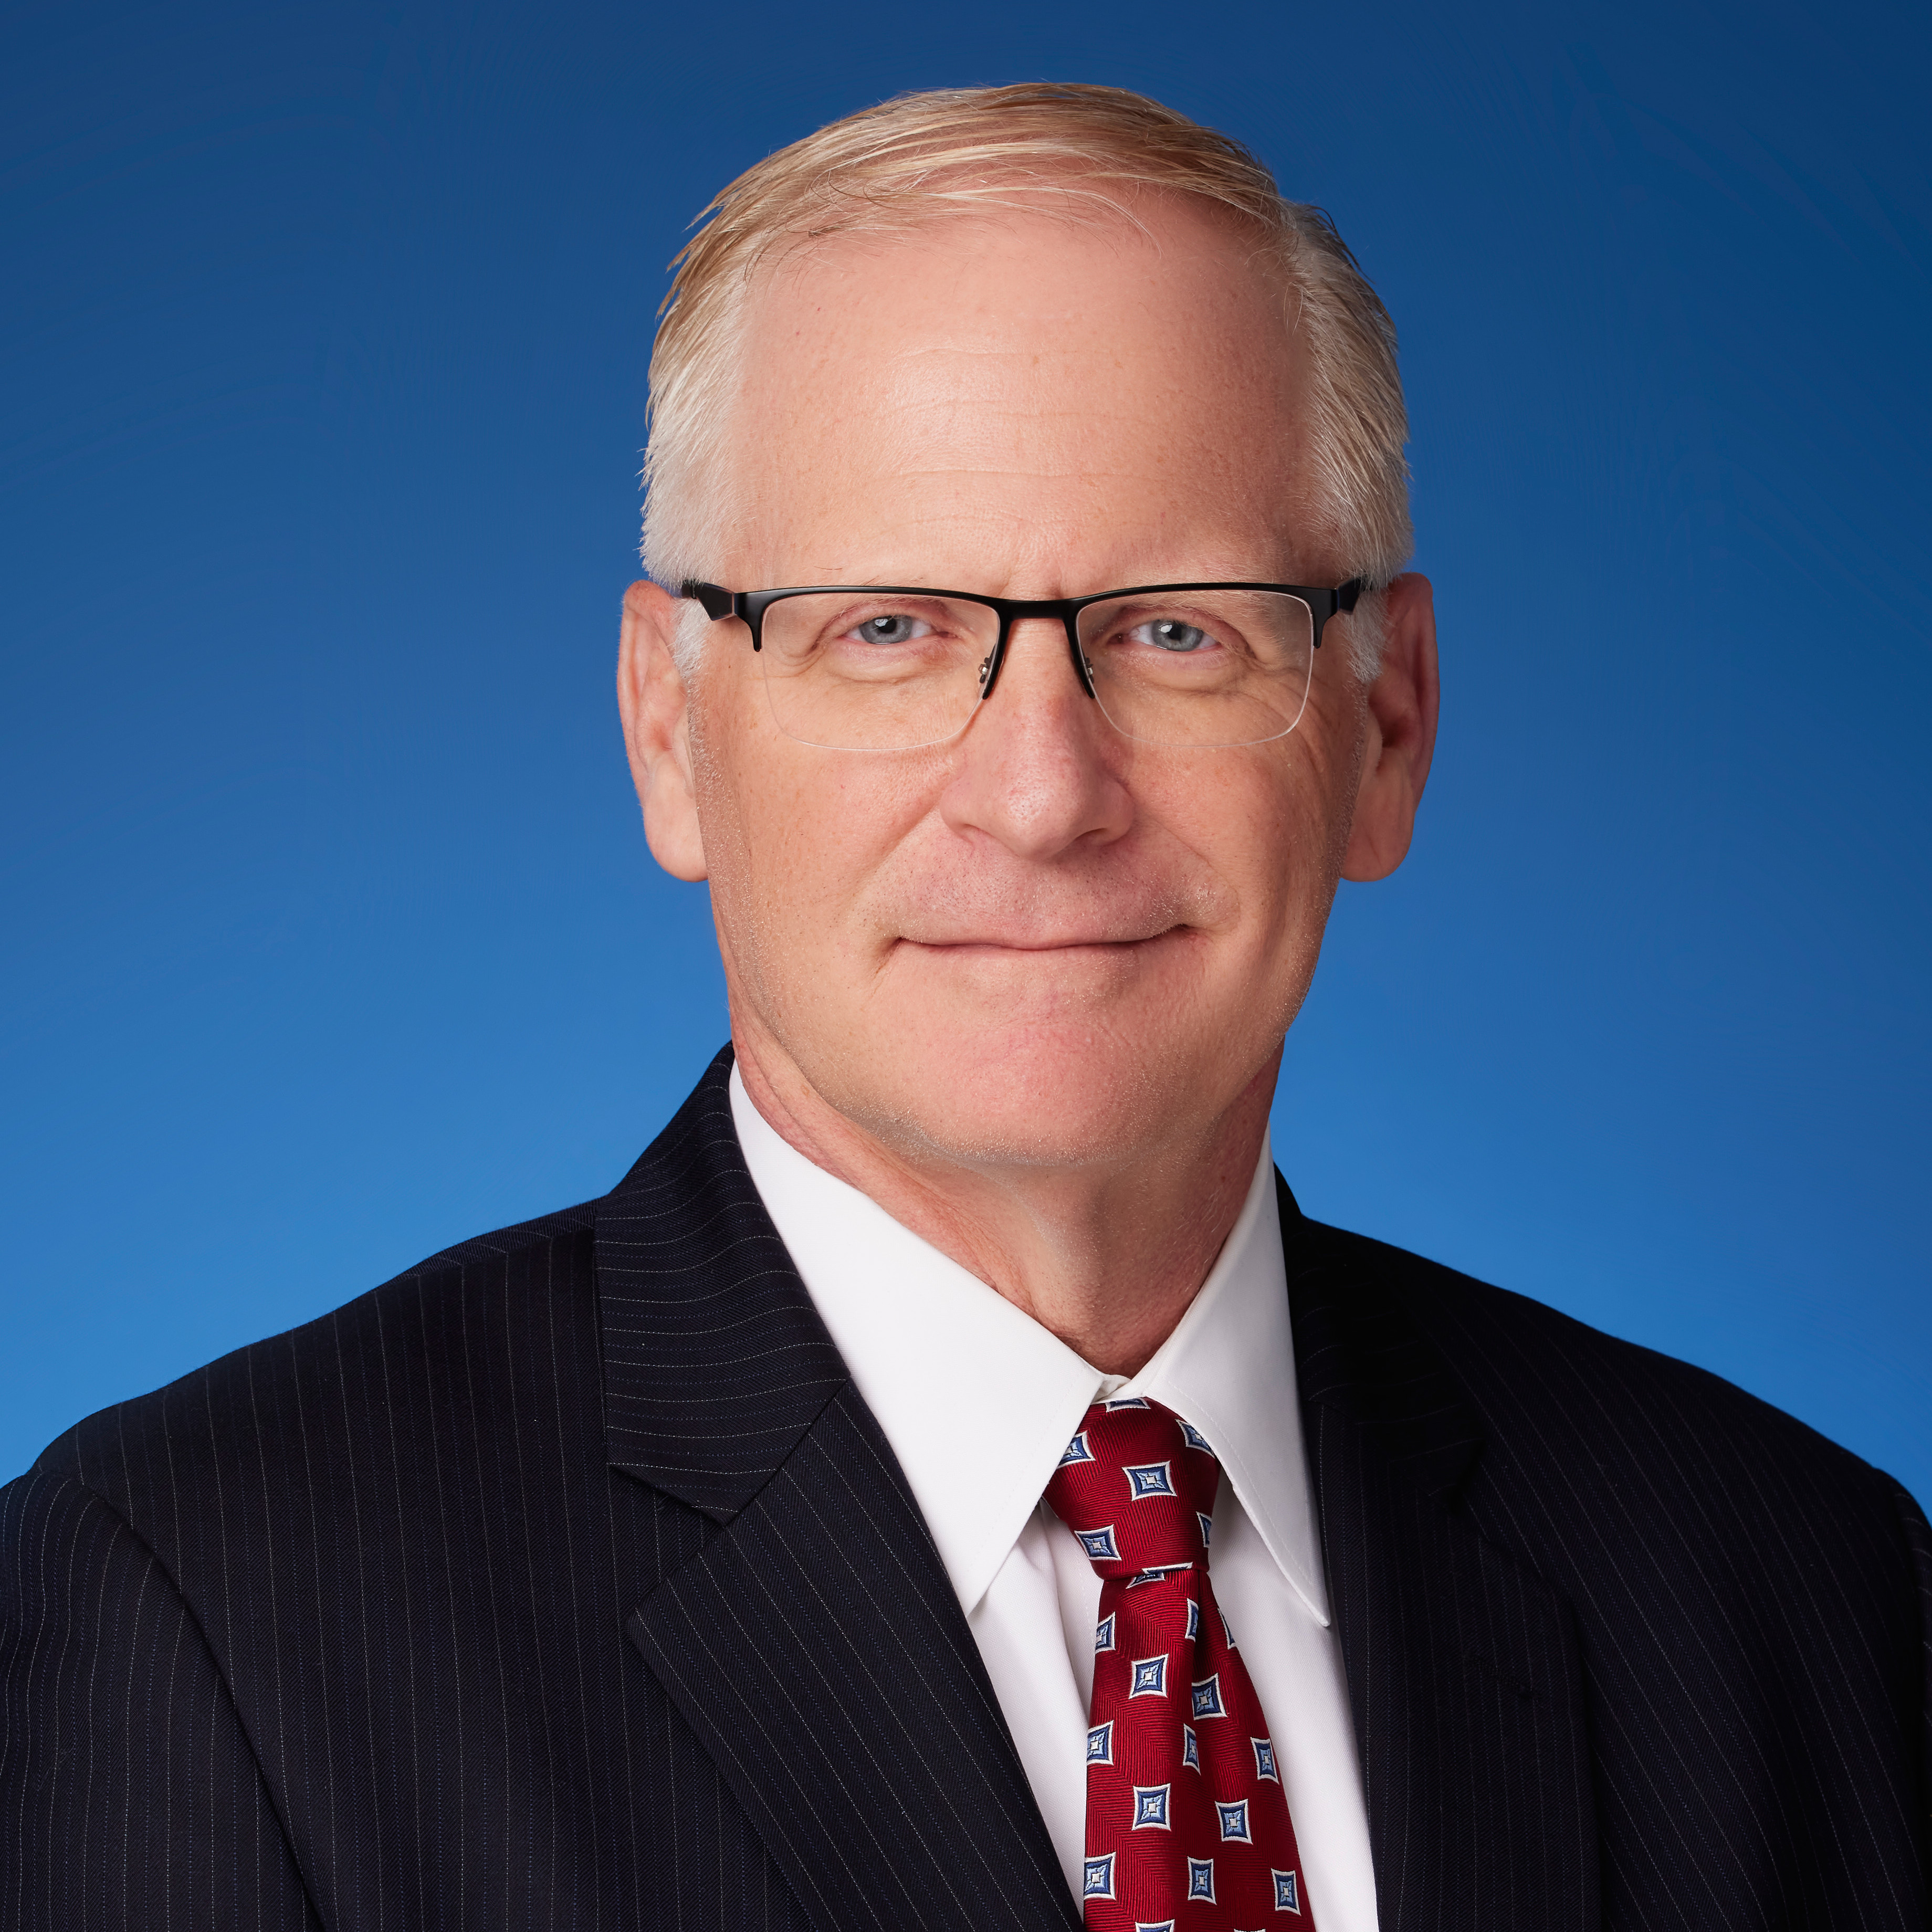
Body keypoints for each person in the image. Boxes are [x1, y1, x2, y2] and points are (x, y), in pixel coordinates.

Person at [2, 81, 1926, 1932]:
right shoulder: (205, 1607)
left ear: (1389, 726)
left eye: (1177, 629)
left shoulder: (1804, 1596)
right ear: (671, 730)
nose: (1041, 793)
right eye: (887, 629)